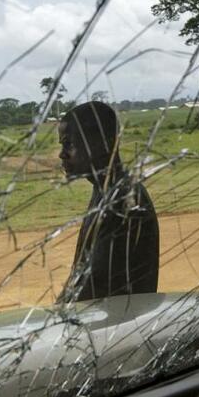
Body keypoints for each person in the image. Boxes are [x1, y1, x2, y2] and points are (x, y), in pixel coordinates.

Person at [56, 101, 159, 302]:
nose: (62, 154)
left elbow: (94, 284)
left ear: (102, 143)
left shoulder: (122, 200)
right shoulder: (105, 191)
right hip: (104, 322)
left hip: (118, 326)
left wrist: (56, 321)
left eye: (69, 144)